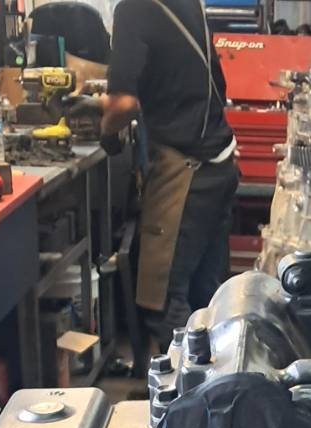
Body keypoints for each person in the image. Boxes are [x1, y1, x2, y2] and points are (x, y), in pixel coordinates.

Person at [98, 0, 239, 347]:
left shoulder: (133, 10)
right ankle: (220, 378)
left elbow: (123, 104)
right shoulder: (189, 4)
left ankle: (188, 381)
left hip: (186, 172)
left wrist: (106, 131)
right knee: (207, 299)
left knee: (163, 304)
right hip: (220, 163)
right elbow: (211, 83)